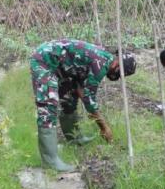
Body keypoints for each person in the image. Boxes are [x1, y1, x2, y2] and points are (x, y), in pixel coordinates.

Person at [31, 39, 136, 172]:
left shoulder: (104, 59)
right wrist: (104, 127)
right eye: (120, 73)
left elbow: (81, 88)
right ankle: (50, 161)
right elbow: (89, 99)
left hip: (62, 66)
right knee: (48, 105)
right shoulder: (101, 64)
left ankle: (74, 138)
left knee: (69, 98)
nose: (117, 77)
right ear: (117, 64)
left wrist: (83, 96)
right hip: (45, 60)